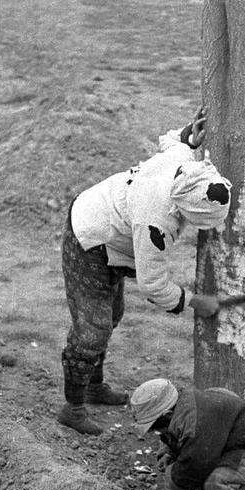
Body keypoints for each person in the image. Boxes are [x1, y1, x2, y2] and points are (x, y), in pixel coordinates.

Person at [57, 112, 232, 435]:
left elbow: (173, 141)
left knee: (111, 314)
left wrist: (189, 135)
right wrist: (193, 301)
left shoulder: (184, 166)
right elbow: (153, 285)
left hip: (112, 233)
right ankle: (73, 408)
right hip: (90, 236)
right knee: (92, 328)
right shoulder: (156, 222)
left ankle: (94, 387)